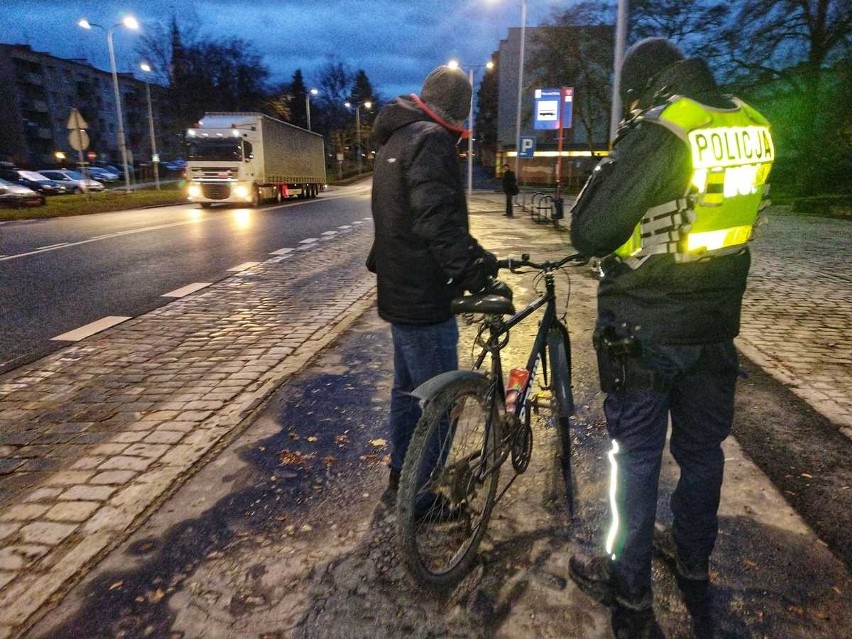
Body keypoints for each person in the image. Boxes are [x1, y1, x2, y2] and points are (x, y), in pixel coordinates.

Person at [567, 38, 774, 639]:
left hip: (646, 328)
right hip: (716, 328)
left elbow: (591, 231)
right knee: (704, 454)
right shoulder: (754, 125)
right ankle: (692, 562)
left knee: (634, 458)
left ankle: (628, 587)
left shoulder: (667, 131)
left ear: (649, 88)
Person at [368, 65, 511, 502]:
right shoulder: (431, 140)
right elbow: (438, 223)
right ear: (457, 109)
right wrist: (477, 272)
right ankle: (423, 497)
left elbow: (410, 218)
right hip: (426, 297)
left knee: (408, 393)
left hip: (399, 291)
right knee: (441, 402)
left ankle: (402, 478)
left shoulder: (396, 137)